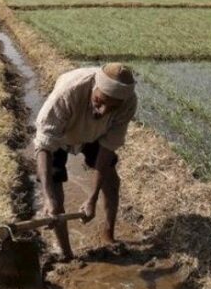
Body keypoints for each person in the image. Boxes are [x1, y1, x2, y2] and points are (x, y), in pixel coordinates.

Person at [34, 62, 137, 260]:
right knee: (55, 195)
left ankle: (108, 235)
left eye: (112, 107)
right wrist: (48, 198)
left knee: (112, 181)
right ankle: (67, 253)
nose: (104, 110)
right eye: (100, 100)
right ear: (94, 87)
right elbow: (44, 146)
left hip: (95, 134)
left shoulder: (128, 103)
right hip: (61, 133)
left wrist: (92, 197)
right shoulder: (68, 92)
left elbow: (106, 152)